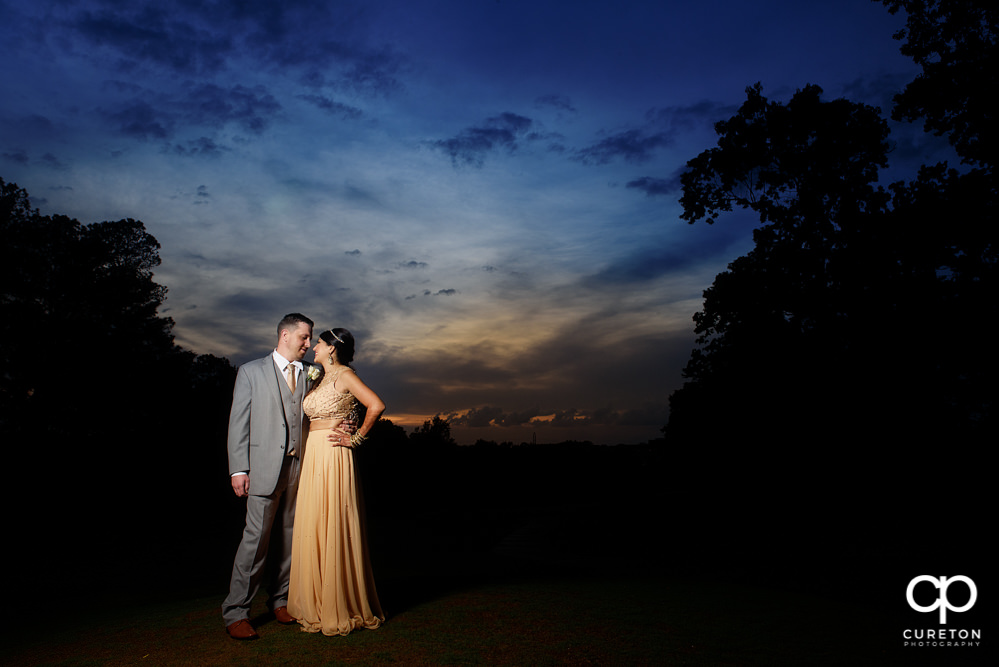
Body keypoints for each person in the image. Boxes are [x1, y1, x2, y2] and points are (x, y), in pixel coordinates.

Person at [222, 314, 354, 640]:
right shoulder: (251, 372)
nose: (309, 345)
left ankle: (281, 601)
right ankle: (237, 611)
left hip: (303, 468)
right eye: (305, 338)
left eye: (311, 340)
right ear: (285, 335)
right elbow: (238, 423)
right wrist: (239, 468)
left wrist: (349, 420)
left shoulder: (313, 374)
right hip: (264, 469)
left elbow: (338, 397)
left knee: (293, 540)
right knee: (256, 541)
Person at [288, 327, 386, 636]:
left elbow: (376, 405)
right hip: (313, 454)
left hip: (333, 455)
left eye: (317, 343)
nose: (313, 347)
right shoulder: (317, 377)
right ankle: (316, 602)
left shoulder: (345, 375)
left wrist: (355, 438)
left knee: (332, 522)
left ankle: (340, 602)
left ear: (332, 348)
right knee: (313, 523)